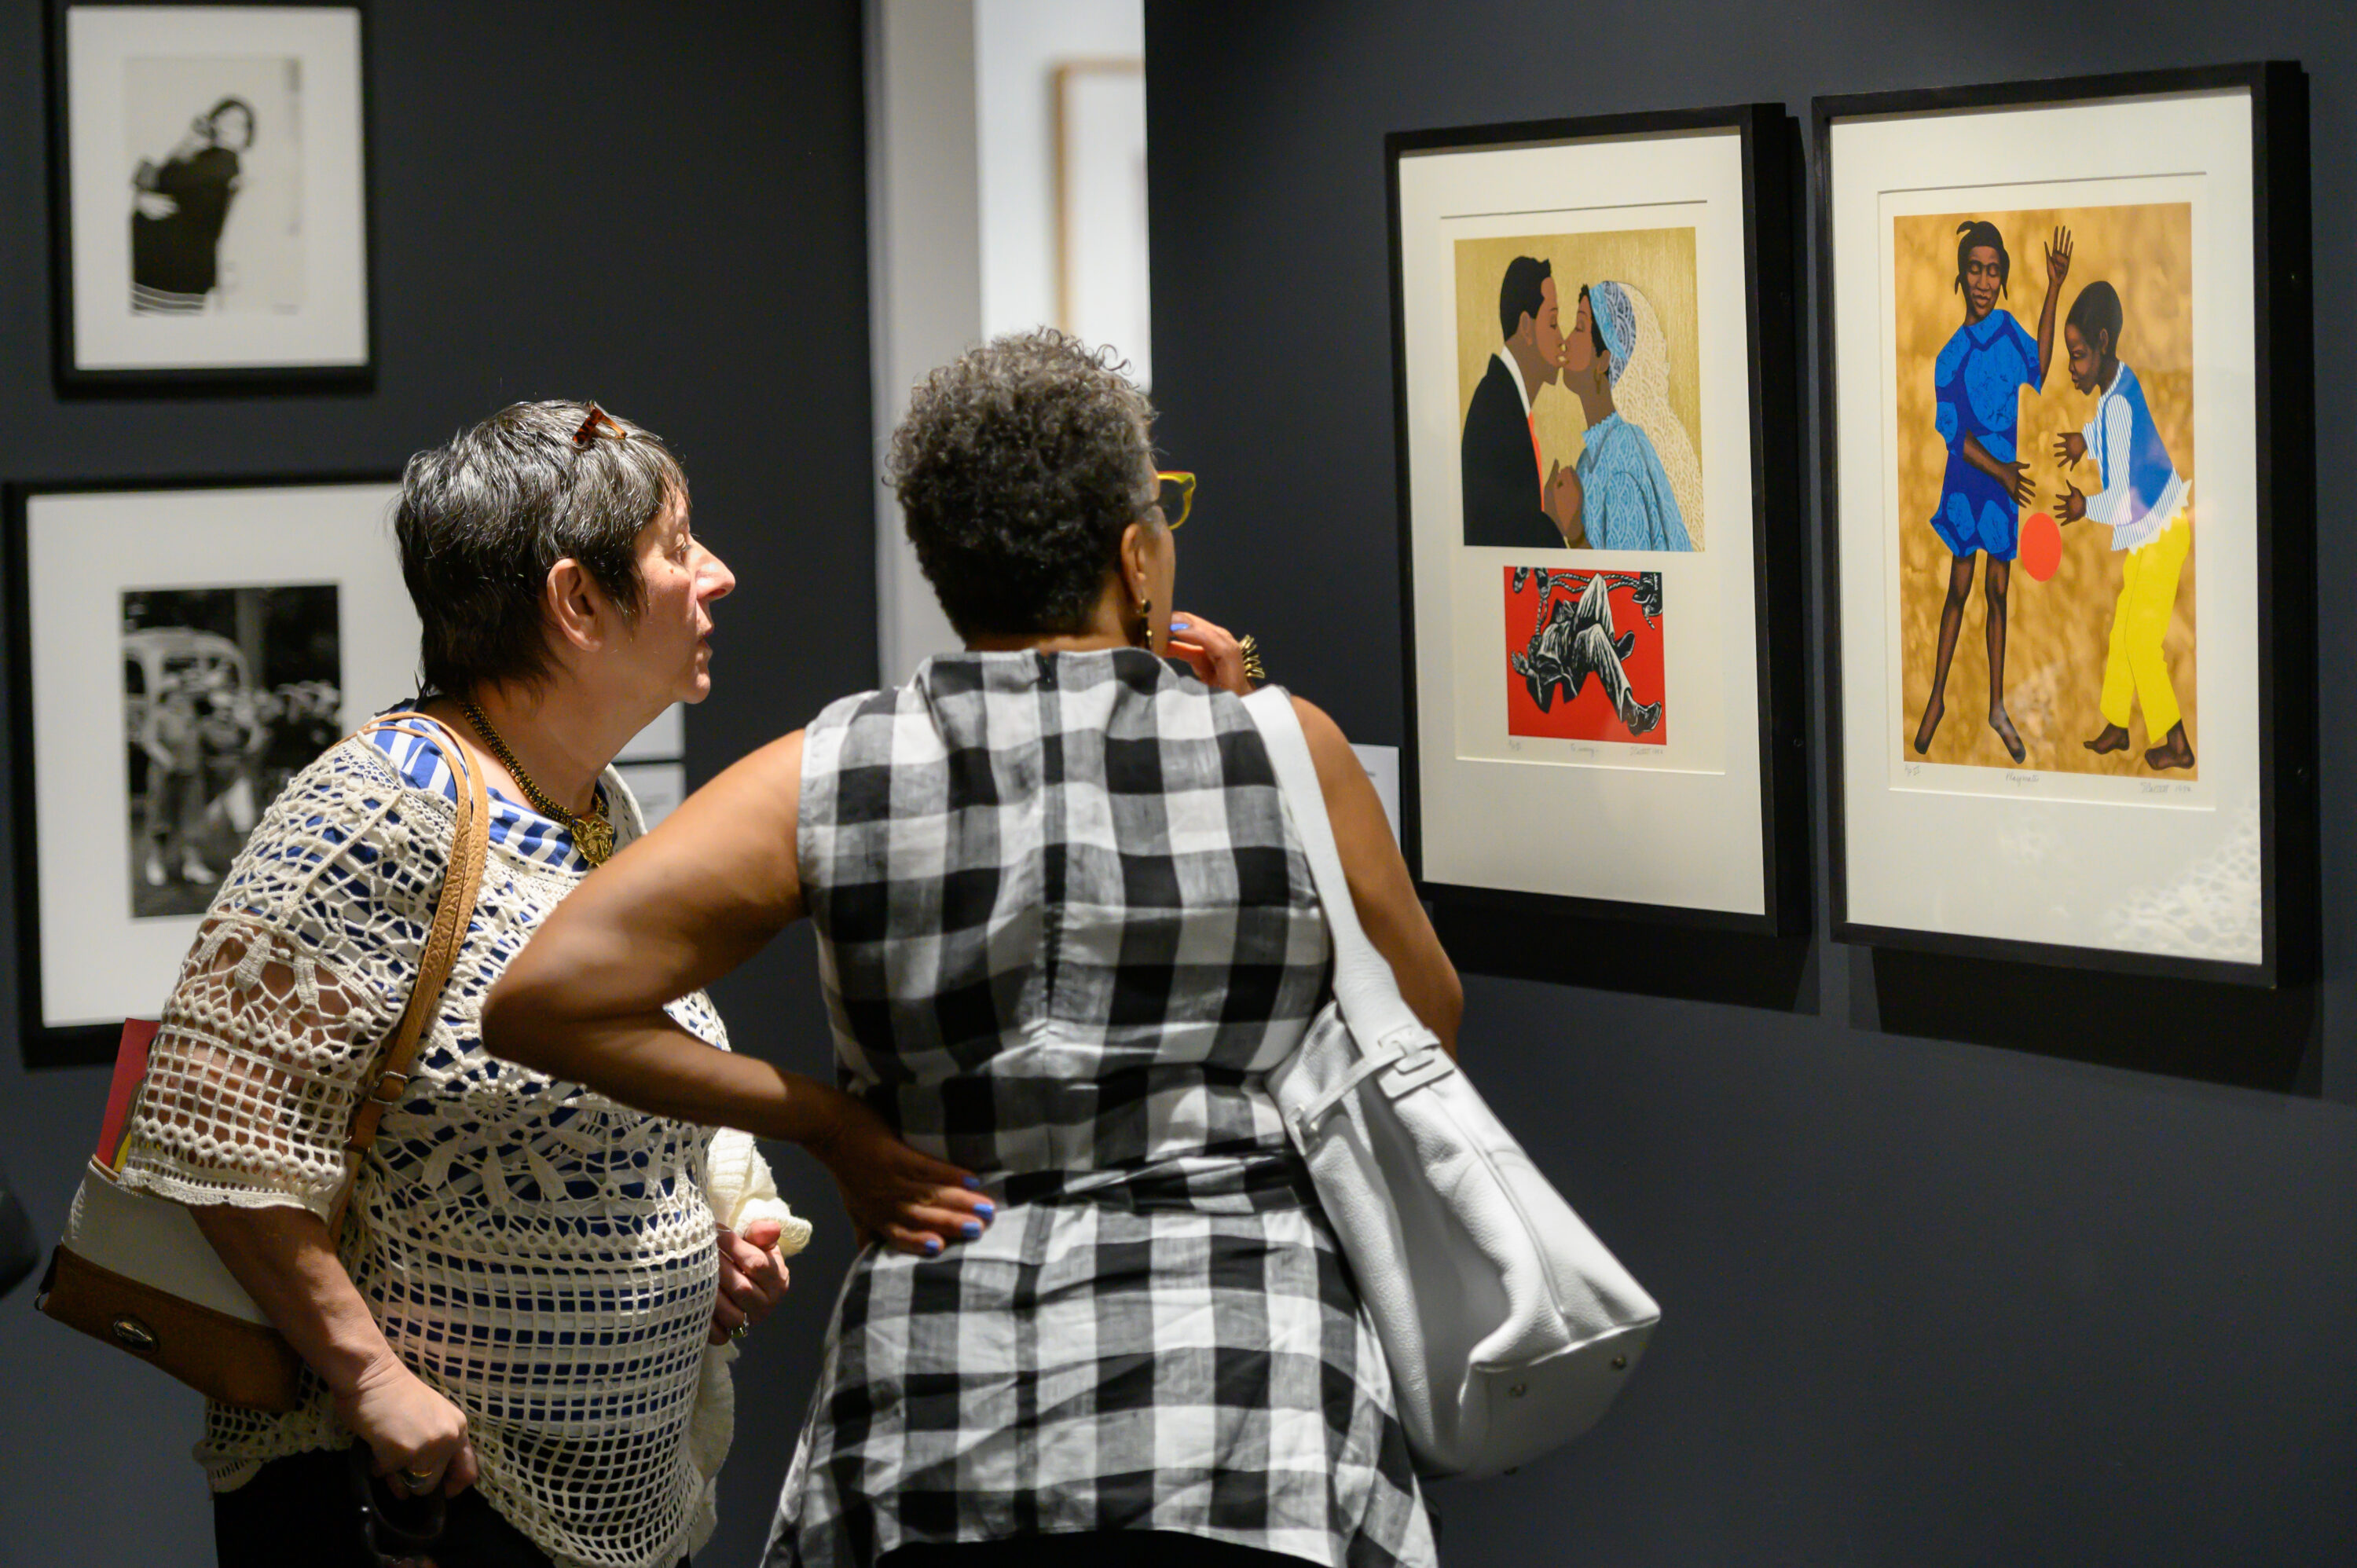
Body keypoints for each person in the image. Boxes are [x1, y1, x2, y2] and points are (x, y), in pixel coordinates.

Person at [482, 332, 1457, 1568]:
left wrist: (827, 1125)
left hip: (941, 1411)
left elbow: (542, 1001)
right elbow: (1423, 1023)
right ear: (1133, 552)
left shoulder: (832, 770)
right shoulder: (1283, 748)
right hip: (1250, 1396)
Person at [111, 400, 981, 1568]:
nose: (715, 576)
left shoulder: (588, 808)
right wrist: (370, 1378)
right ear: (577, 603)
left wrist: (698, 1230)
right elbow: (216, 1129)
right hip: (414, 1497)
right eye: (678, 547)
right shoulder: (377, 808)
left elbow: (584, 1094)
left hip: (590, 1493)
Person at [1913, 220, 2072, 762]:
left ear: (2003, 279)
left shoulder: (2007, 332)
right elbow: (1953, 432)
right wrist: (2001, 471)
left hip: (2003, 490)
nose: (1984, 280)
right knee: (1959, 589)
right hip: (1969, 484)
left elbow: (2041, 367)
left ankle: (1997, 707)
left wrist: (2054, 287)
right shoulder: (1949, 355)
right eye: (1976, 269)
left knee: (1998, 592)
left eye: (1994, 271)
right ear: (1961, 275)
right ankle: (1936, 700)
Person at [2053, 280, 2195, 771]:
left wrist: (2080, 507)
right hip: (2156, 528)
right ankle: (2117, 724)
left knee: (2140, 640)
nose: (2073, 368)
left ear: (2103, 344)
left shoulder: (2113, 403)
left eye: (2077, 356)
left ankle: (2175, 740)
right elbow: (2117, 430)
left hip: (2159, 530)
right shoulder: (2121, 383)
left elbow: (2118, 502)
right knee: (2123, 628)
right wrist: (2084, 442)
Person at [1556, 280, 1699, 553]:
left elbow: (1627, 589)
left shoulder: (1622, 459)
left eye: (1579, 328)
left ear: (1604, 360)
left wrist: (1573, 531)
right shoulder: (1588, 461)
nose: (1566, 341)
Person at [1462, 255, 1582, 547]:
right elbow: (1509, 543)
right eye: (1553, 322)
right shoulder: (1498, 412)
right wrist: (1553, 519)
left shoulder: (1504, 401)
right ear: (1526, 327)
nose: (1562, 339)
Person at [131, 97, 255, 314]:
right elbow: (158, 177)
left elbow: (162, 176)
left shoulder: (225, 162)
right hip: (161, 278)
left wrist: (144, 185)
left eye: (236, 123)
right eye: (221, 119)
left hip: (170, 282)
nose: (226, 126)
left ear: (247, 136)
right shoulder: (203, 158)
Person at [1509, 567, 1662, 735]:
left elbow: (1572, 615)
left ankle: (1610, 648)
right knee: (1595, 632)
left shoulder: (1551, 628)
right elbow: (1544, 699)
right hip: (1573, 660)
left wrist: (1569, 612)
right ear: (1533, 657)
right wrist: (1529, 672)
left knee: (1598, 582)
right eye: (1530, 650)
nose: (1531, 645)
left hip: (1576, 631)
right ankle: (1634, 714)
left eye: (1531, 644)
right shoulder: (1544, 659)